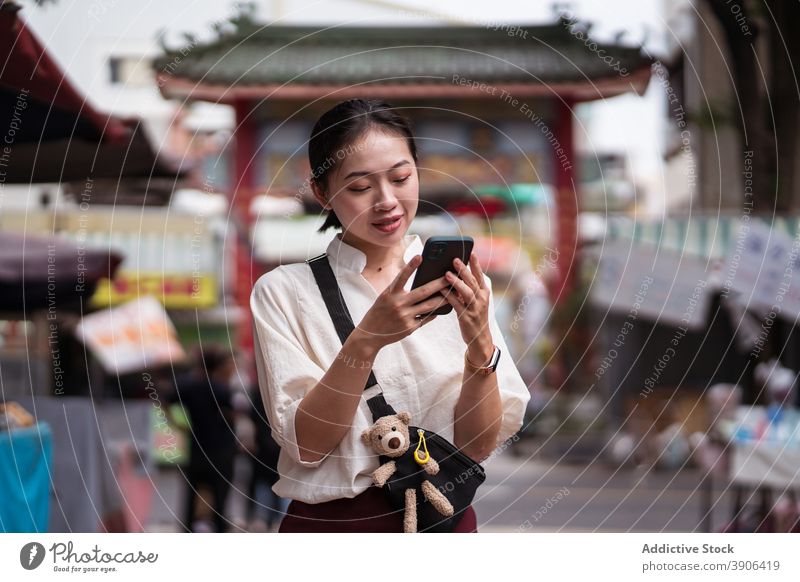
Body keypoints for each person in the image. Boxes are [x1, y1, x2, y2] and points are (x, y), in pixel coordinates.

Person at [249, 98, 531, 532]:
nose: (387, 201)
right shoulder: (285, 293)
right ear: (322, 192)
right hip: (337, 531)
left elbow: (476, 445)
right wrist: (367, 340)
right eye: (360, 187)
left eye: (401, 178)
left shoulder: (465, 286)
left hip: (444, 525)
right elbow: (309, 444)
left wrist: (479, 346)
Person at [167, 345, 238, 533]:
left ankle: (187, 530)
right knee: (220, 499)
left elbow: (166, 402)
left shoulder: (187, 386)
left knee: (190, 496)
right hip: (220, 451)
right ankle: (220, 531)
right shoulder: (221, 389)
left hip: (196, 448)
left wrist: (179, 425)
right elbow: (232, 415)